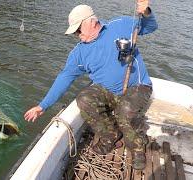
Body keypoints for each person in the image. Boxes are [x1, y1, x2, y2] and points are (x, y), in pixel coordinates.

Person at [24, 0, 158, 170]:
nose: (77, 34)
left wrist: (145, 11)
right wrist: (42, 106)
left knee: (126, 111)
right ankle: (110, 134)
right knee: (84, 98)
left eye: (78, 29)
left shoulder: (119, 26)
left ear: (91, 22)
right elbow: (64, 77)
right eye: (74, 32)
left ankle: (138, 148)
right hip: (108, 91)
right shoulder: (79, 53)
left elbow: (150, 27)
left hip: (138, 87)